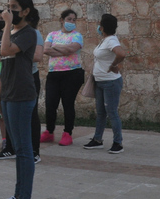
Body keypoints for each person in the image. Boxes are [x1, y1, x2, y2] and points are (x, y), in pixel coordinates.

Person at [0, 0, 39, 199]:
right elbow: (3, 65)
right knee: (17, 148)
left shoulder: (29, 33)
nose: (8, 11)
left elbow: (5, 50)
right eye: (8, 7)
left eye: (14, 7)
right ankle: (18, 194)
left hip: (22, 95)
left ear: (26, 11)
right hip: (9, 94)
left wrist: (7, 26)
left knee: (23, 149)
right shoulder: (11, 32)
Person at [84, 14, 127, 154]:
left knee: (112, 112)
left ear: (102, 27)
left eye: (99, 25)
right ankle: (97, 140)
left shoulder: (111, 41)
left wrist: (114, 65)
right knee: (101, 112)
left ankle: (118, 143)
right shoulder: (104, 40)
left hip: (110, 82)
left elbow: (121, 54)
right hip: (100, 82)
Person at [41, 9, 84, 146]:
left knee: (68, 104)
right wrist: (64, 49)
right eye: (69, 19)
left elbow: (71, 50)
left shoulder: (77, 36)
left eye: (74, 20)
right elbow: (46, 50)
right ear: (62, 20)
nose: (71, 22)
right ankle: (49, 131)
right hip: (54, 73)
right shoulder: (52, 34)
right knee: (50, 104)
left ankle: (67, 133)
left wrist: (56, 48)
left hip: (72, 74)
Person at [29, 16, 45, 163]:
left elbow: (38, 56)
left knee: (32, 114)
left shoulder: (34, 33)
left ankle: (35, 151)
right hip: (14, 78)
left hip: (30, 77)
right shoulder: (11, 32)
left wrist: (15, 52)